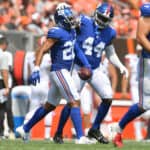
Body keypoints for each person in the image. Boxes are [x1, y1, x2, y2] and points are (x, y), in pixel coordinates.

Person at [16, 3, 93, 144]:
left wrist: (86, 64)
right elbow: (42, 50)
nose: (71, 19)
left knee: (49, 106)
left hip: (64, 72)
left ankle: (25, 128)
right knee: (74, 100)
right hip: (59, 71)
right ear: (61, 19)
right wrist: (36, 68)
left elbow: (77, 49)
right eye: (68, 16)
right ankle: (80, 137)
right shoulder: (56, 32)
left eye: (71, 16)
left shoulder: (72, 31)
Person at [53, 2, 128, 144]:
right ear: (95, 13)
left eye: (105, 20)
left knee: (108, 97)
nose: (102, 21)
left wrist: (120, 66)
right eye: (101, 17)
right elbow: (69, 33)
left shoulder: (110, 32)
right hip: (78, 67)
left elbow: (110, 52)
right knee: (72, 101)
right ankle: (59, 132)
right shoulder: (83, 21)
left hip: (95, 69)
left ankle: (95, 129)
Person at [111, 3, 150, 148]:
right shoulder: (147, 13)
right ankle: (118, 129)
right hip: (148, 61)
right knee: (144, 105)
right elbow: (140, 37)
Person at [12, 51, 53, 140]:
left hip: (34, 85)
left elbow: (29, 71)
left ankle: (26, 133)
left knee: (33, 109)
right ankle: (47, 135)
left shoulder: (31, 56)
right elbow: (52, 70)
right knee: (48, 108)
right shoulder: (48, 57)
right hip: (45, 85)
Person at [0, 34, 14, 139]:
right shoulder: (4, 55)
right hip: (2, 83)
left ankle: (6, 131)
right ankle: (7, 132)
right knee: (4, 108)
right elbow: (5, 71)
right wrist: (7, 86)